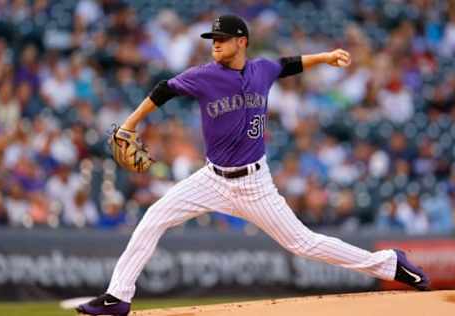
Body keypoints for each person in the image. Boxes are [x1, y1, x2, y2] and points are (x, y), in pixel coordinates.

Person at [77, 15, 429, 316]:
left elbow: (289, 64)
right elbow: (162, 89)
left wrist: (325, 57)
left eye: (222, 38)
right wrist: (129, 124)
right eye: (213, 38)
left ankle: (390, 264)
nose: (215, 43)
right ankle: (118, 297)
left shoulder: (261, 69)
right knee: (154, 217)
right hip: (211, 179)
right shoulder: (204, 75)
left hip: (255, 184)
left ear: (241, 42)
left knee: (304, 244)